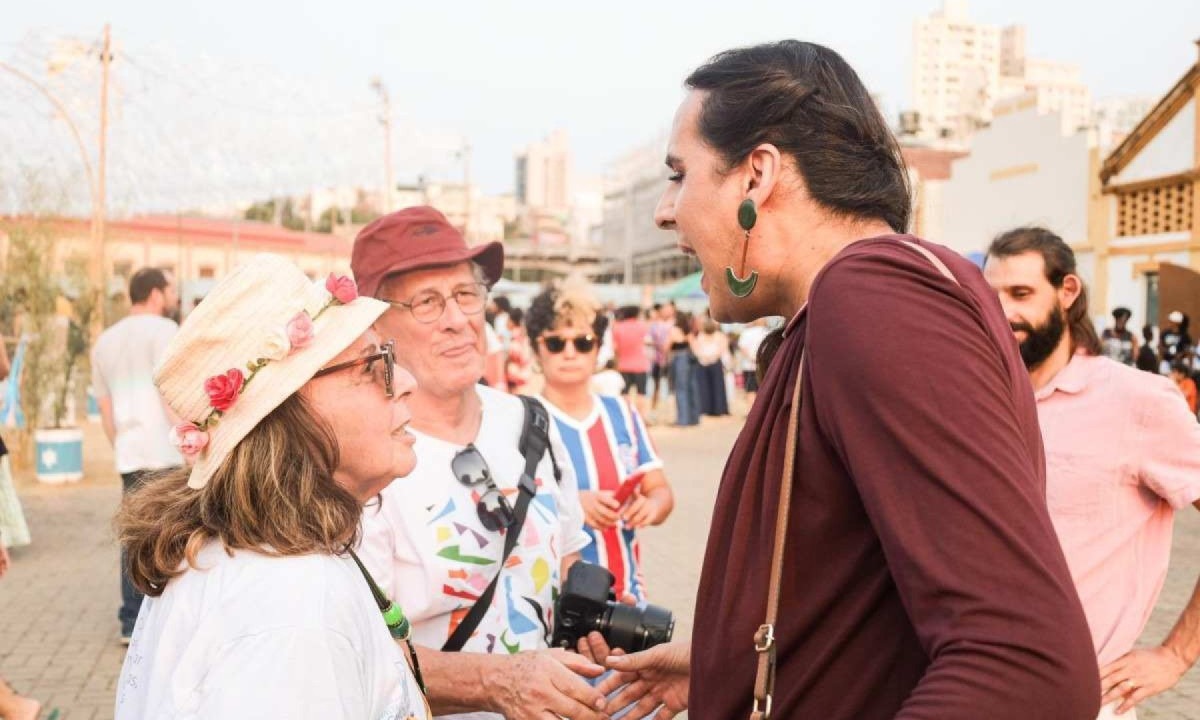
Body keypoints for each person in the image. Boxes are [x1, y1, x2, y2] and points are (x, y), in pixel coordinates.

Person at [595, 40, 1100, 720]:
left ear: (757, 176)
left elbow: (1025, 666)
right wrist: (724, 661)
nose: (665, 210)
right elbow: (881, 594)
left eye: (679, 175)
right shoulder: (865, 301)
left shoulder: (874, 298)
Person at [113, 254, 428, 719]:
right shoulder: (293, 603)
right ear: (288, 416)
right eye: (372, 365)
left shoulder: (271, 561)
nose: (406, 381)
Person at [350, 206, 609, 720]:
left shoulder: (532, 422)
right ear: (374, 325)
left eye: (467, 295)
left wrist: (590, 627)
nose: (457, 319)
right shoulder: (362, 464)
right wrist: (500, 683)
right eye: (426, 302)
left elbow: (565, 559)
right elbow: (363, 652)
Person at [983, 227, 1200, 719]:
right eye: (991, 296)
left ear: (1067, 292)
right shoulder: (980, 401)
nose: (1002, 313)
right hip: (975, 692)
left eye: (1020, 294)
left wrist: (1176, 654)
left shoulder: (1137, 401)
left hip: (1081, 702)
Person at [526, 279, 675, 602]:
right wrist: (573, 504)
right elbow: (509, 515)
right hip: (552, 603)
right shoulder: (523, 419)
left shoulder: (622, 413)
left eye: (583, 342)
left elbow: (661, 492)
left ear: (597, 349)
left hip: (627, 598)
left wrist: (650, 507)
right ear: (536, 348)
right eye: (555, 343)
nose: (570, 353)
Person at [91, 267, 184, 643]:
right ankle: (168, 619)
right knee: (172, 534)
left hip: (129, 450)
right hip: (166, 449)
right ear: (156, 294)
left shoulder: (105, 341)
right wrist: (187, 438)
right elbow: (170, 390)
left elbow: (104, 405)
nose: (174, 297)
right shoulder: (167, 332)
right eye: (171, 290)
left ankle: (131, 620)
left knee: (134, 535)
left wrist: (119, 443)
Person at [611, 305, 652, 419]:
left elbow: (615, 347)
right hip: (641, 364)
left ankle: (626, 416)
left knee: (625, 393)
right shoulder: (642, 326)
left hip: (623, 364)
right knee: (641, 393)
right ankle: (641, 418)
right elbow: (648, 341)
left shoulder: (618, 327)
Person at [691, 318, 729, 417]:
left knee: (706, 387)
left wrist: (704, 357)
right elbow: (723, 348)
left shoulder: (704, 336)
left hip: (707, 362)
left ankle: (708, 409)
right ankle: (717, 409)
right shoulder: (713, 335)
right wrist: (710, 357)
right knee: (715, 386)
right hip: (710, 362)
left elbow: (696, 349)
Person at [666, 313, 699, 427]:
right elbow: (694, 345)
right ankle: (693, 418)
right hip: (689, 358)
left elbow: (667, 345)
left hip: (678, 357)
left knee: (680, 389)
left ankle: (682, 419)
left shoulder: (675, 329)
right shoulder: (688, 331)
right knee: (691, 388)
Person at [736, 318, 769, 405]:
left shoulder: (746, 332)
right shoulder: (767, 332)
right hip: (763, 365)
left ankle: (752, 412)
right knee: (764, 390)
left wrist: (751, 357)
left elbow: (742, 348)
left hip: (748, 366)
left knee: (750, 389)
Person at [504, 308, 533, 395]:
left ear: (513, 321)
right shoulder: (523, 334)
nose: (506, 323)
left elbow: (517, 353)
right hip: (523, 375)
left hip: (516, 376)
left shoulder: (515, 335)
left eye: (508, 319)